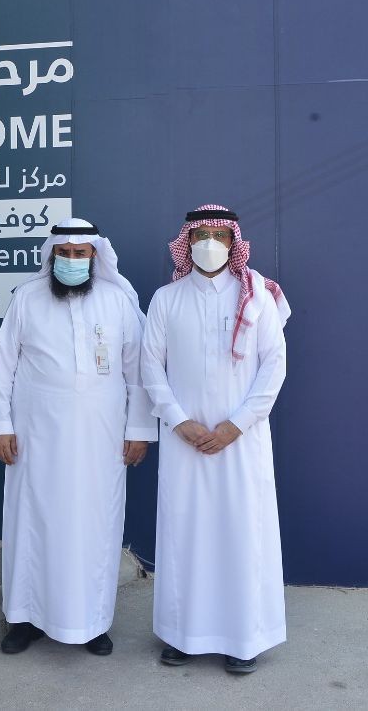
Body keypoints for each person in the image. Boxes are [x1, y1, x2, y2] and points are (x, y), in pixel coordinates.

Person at [0, 217, 159, 656]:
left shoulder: (118, 300)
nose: (70, 260)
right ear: (51, 255)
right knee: (32, 522)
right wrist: (1, 425)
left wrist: (139, 430)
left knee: (95, 526)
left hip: (102, 439)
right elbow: (3, 364)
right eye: (63, 253)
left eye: (79, 253)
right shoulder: (27, 298)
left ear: (94, 256)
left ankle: (93, 621)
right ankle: (24, 619)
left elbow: (137, 372)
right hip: (34, 437)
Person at [141, 204, 290, 674]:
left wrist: (236, 424)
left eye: (219, 235)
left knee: (241, 534)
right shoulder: (166, 298)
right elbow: (150, 366)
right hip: (184, 442)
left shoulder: (258, 296)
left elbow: (274, 366)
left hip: (241, 441)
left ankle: (243, 639)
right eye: (200, 234)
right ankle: (182, 635)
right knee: (185, 535)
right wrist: (178, 420)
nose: (210, 243)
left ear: (233, 241)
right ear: (187, 241)